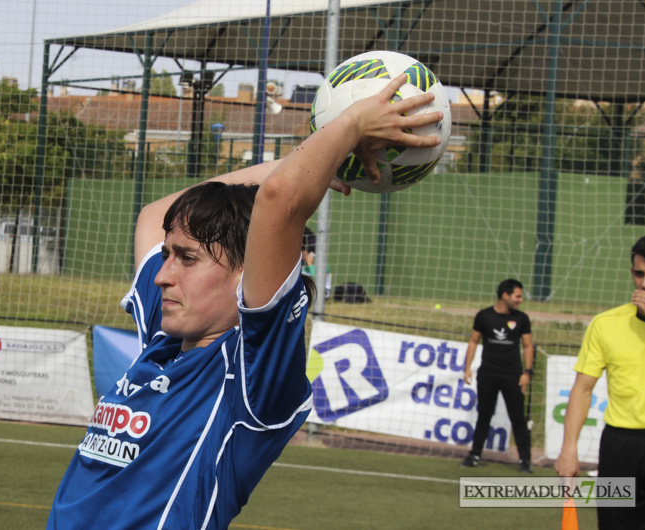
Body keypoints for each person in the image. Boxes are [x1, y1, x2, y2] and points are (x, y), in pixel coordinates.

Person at [47, 74, 443, 529]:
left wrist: (351, 123)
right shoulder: (166, 335)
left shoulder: (249, 374)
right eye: (169, 255)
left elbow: (280, 202)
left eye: (187, 259)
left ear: (244, 277)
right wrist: (295, 160)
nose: (161, 275)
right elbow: (155, 216)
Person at [555, 233, 645, 530]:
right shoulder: (606, 324)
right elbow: (582, 390)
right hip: (620, 447)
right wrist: (569, 448)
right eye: (640, 274)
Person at [460, 278, 534, 473]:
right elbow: (474, 341)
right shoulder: (484, 316)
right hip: (488, 373)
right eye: (518, 296)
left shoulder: (522, 319)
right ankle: (474, 455)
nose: (520, 300)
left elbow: (527, 346)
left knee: (518, 418)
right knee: (484, 415)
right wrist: (467, 368)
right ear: (505, 295)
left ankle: (525, 461)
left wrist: (527, 372)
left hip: (513, 375)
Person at [301, 226, 332, 299]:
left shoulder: (318, 261)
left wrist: (310, 264)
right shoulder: (301, 264)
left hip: (322, 291)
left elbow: (319, 280)